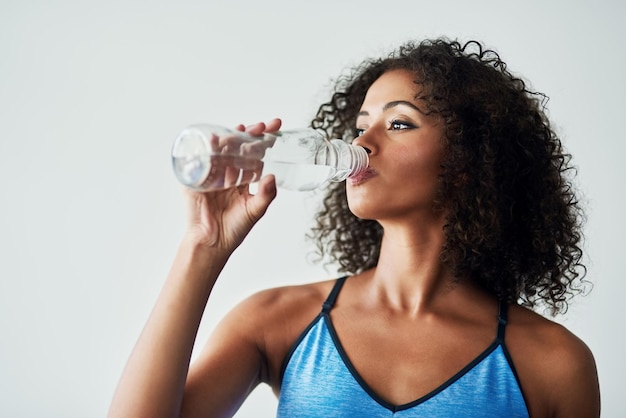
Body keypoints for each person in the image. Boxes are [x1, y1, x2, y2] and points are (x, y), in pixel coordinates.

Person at [108, 38, 601, 417]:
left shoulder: (553, 363)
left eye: (399, 123)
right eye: (361, 123)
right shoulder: (277, 321)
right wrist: (202, 246)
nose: (362, 142)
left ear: (471, 162)